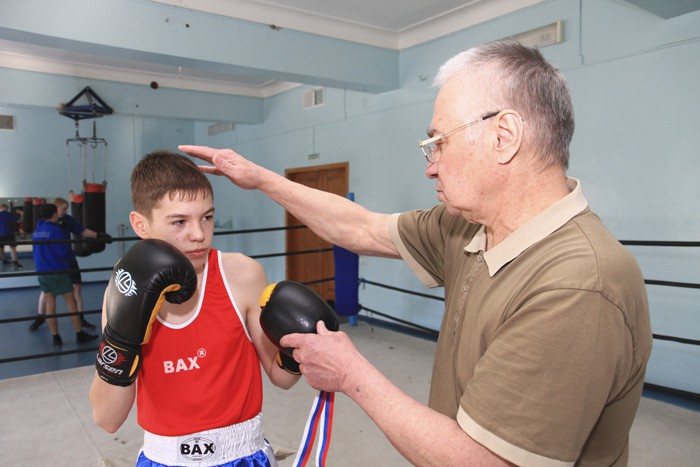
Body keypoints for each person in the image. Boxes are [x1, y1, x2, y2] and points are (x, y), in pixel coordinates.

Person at [180, 40, 653, 466]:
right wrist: (260, 178)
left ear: (503, 136)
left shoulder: (577, 284)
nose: (431, 167)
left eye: (438, 142)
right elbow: (359, 227)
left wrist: (350, 373)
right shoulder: (469, 226)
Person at [89, 150, 301, 466]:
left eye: (207, 217)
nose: (199, 235)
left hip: (243, 455)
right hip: (163, 458)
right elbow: (107, 419)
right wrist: (122, 338)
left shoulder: (241, 274)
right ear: (141, 224)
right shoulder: (125, 288)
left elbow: (282, 378)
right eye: (179, 221)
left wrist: (298, 346)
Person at [29, 196, 103, 331]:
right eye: (62, 209)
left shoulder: (68, 220)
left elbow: (82, 231)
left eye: (66, 209)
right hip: (55, 262)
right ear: (55, 209)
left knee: (77, 288)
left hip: (68, 260)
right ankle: (40, 316)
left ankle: (80, 318)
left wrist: (98, 235)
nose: (64, 212)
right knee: (46, 293)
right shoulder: (43, 223)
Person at [0, 203, 23, 270]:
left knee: (1, 248)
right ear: (6, 208)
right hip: (9, 233)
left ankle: (4, 260)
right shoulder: (9, 214)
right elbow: (20, 221)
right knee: (12, 248)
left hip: (0, 234)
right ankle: (15, 261)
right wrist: (22, 214)